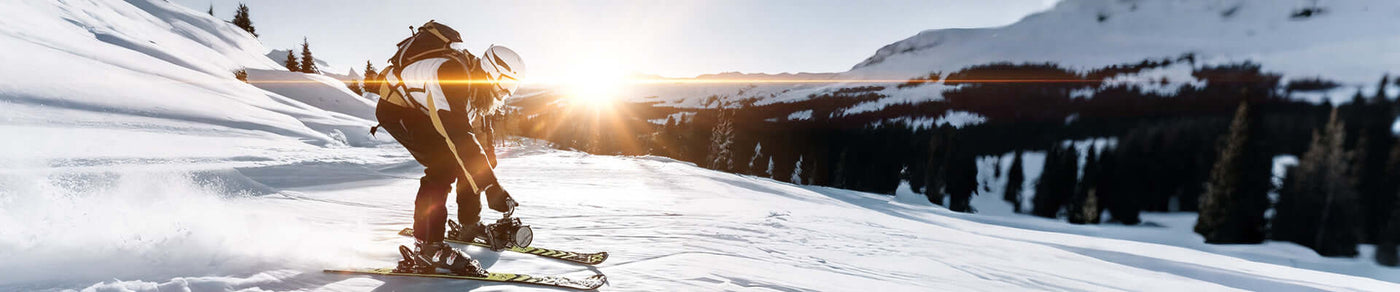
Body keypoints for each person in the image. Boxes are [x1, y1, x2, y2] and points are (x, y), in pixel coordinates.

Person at [373, 21, 526, 276]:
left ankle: (469, 224)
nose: (506, 94)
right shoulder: (452, 76)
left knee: (470, 162)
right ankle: (428, 248)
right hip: (397, 109)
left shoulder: (478, 90)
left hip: (422, 110)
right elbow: (459, 136)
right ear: (494, 74)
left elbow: (478, 144)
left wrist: (490, 179)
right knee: (443, 165)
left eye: (513, 88)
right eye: (507, 85)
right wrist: (490, 187)